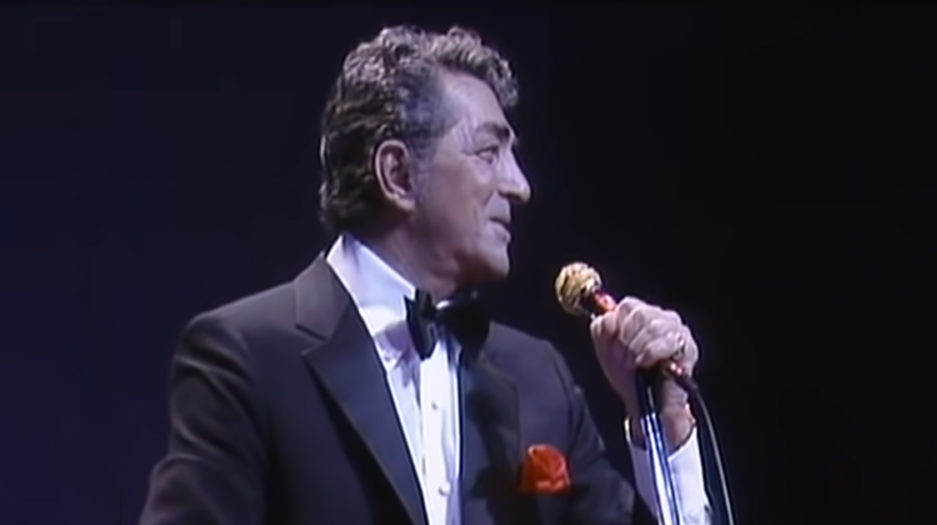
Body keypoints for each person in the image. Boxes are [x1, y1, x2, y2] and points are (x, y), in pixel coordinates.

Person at [138, 25, 711, 525]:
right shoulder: (248, 356)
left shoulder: (539, 378)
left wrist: (662, 418)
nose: (520, 186)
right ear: (398, 174)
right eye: (488, 153)